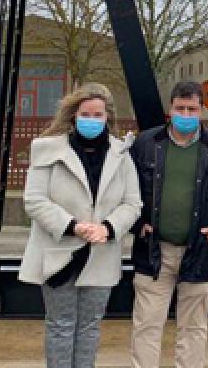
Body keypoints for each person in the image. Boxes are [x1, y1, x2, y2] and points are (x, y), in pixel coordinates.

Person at [128, 81, 208, 368]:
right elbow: (125, 190)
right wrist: (137, 224)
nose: (185, 113)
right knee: (146, 326)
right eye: (180, 108)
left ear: (201, 112)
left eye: (192, 109)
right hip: (154, 251)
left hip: (201, 251)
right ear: (169, 111)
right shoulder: (146, 144)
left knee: (194, 329)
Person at [19, 82, 142, 368]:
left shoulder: (120, 155)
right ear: (73, 115)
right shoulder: (47, 150)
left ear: (107, 118)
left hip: (101, 253)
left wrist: (108, 228)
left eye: (98, 114)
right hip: (59, 253)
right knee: (60, 325)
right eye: (86, 113)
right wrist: (72, 225)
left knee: (90, 326)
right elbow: (35, 200)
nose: (92, 120)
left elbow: (132, 203)